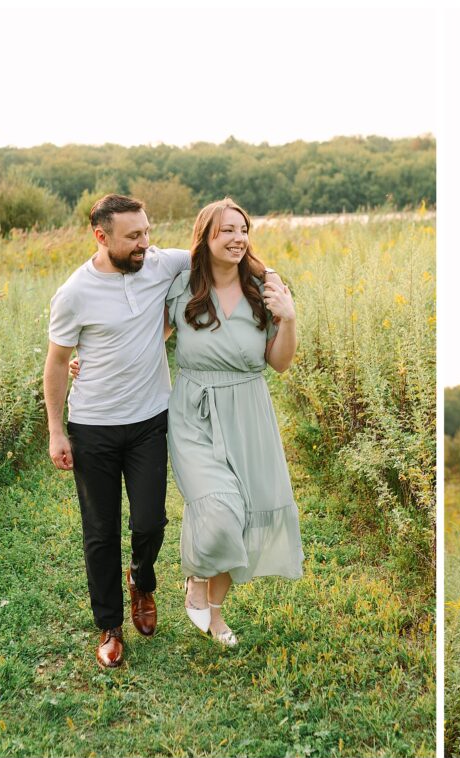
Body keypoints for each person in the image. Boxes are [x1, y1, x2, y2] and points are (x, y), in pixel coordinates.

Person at [44, 194, 191, 668]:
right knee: (100, 531)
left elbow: (218, 251)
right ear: (101, 237)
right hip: (93, 429)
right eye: (133, 236)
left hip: (150, 420)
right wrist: (56, 430)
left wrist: (268, 280)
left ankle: (142, 582)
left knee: (151, 520)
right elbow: (58, 362)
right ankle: (109, 625)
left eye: (147, 231)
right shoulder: (74, 293)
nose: (145, 243)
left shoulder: (158, 263)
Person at [165, 198, 304, 646]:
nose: (237, 238)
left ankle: (217, 614)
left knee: (243, 516)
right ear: (205, 237)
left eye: (243, 229)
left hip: (249, 411)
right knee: (221, 508)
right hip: (193, 411)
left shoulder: (262, 291)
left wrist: (289, 318)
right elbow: (146, 339)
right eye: (226, 230)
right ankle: (195, 580)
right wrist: (88, 364)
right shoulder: (181, 288)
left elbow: (279, 363)